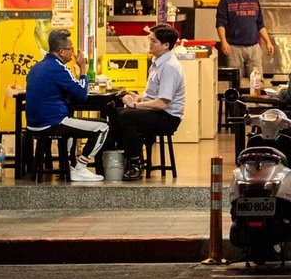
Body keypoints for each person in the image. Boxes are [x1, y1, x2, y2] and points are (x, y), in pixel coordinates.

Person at [24, 29, 109, 182]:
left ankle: (70, 164)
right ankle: (80, 168)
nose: (74, 52)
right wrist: (83, 69)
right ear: (62, 51)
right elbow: (81, 95)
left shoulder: (37, 67)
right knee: (103, 127)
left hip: (33, 124)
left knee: (71, 121)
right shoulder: (59, 68)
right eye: (71, 48)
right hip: (53, 122)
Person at [114, 26, 186, 181]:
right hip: (157, 112)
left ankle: (134, 163)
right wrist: (139, 98)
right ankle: (117, 159)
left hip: (168, 117)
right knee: (115, 112)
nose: (150, 43)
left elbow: (162, 103)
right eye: (150, 39)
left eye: (154, 41)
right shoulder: (157, 62)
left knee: (126, 116)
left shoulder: (170, 67)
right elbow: (155, 95)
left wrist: (135, 106)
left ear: (166, 45)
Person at [216, 0, 275, 85]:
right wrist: (223, 42)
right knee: (234, 82)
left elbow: (260, 24)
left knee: (257, 82)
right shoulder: (226, 1)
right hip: (234, 48)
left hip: (254, 47)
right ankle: (236, 103)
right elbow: (220, 24)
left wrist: (268, 41)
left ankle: (256, 103)